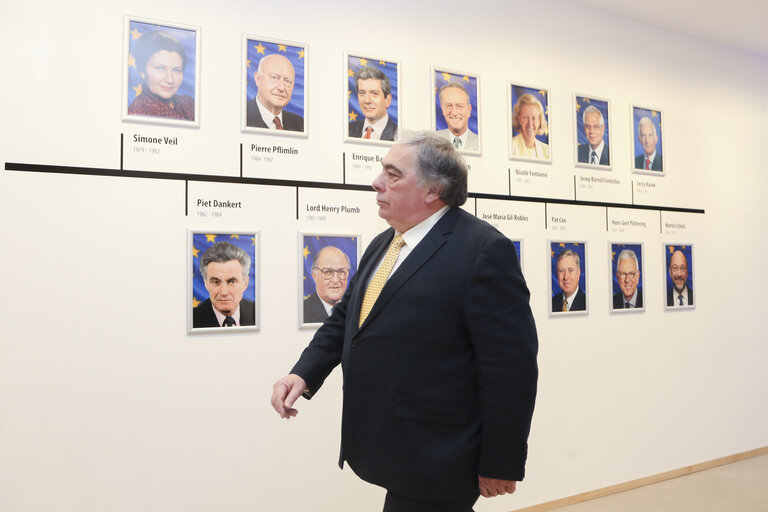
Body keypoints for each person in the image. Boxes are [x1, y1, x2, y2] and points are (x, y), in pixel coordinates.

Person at [272, 131, 538, 511]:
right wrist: (303, 373)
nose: (377, 182)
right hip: (395, 445)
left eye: (393, 175)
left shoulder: (482, 250)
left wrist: (501, 460)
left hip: (440, 453)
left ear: (433, 190)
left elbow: (511, 369)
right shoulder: (386, 242)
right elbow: (348, 318)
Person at [128, 30, 195, 121]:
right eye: (160, 68)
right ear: (142, 71)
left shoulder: (188, 103)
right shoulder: (138, 112)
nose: (170, 80)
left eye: (176, 70)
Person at [193, 241, 255, 328]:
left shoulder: (258, 312)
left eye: (232, 282)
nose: (224, 292)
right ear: (206, 283)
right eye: (216, 282)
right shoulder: (192, 319)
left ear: (245, 283)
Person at [246, 54, 304, 131]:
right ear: (258, 78)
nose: (281, 88)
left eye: (287, 81)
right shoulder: (241, 114)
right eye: (274, 77)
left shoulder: (299, 123)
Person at [303, 246, 351, 324]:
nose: (336, 280)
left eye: (341, 272)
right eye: (328, 272)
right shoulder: (303, 311)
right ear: (314, 275)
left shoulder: (355, 309)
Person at [348, 66, 397, 141]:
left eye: (374, 93)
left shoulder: (399, 136)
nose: (367, 100)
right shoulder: (348, 130)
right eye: (362, 93)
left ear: (387, 100)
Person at [436, 82, 478, 151]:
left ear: (469, 110)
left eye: (459, 106)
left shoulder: (480, 142)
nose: (454, 113)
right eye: (449, 106)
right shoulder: (434, 141)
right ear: (442, 109)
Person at [511, 94, 549, 159]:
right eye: (525, 117)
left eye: (534, 118)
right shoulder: (511, 146)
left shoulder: (547, 150)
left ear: (539, 121)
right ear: (519, 119)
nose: (530, 123)